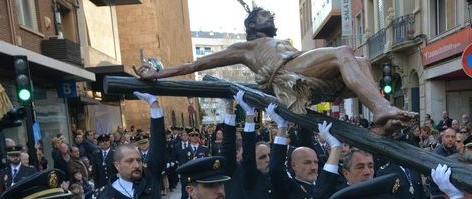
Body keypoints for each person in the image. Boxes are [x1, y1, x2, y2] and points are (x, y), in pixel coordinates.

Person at [134, 6, 412, 133]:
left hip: (310, 75)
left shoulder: (283, 41)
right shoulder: (245, 48)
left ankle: (381, 120)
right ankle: (381, 108)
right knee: (343, 52)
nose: (272, 16)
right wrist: (157, 74)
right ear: (252, 25)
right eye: (265, 15)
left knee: (362, 61)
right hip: (290, 77)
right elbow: (197, 64)